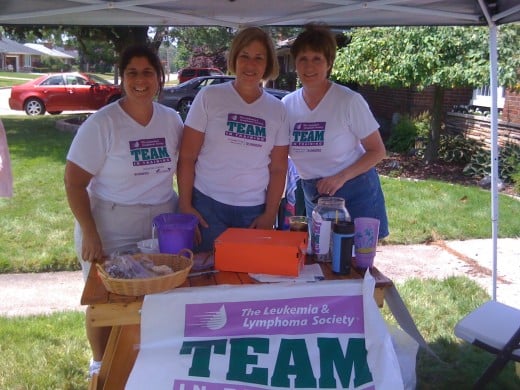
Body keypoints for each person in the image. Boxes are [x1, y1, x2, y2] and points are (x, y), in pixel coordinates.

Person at [64, 45, 183, 377]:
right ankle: (100, 364)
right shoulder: (102, 124)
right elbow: (74, 182)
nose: (140, 80)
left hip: (159, 222)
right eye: (132, 72)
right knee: (102, 300)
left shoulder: (172, 120)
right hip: (110, 223)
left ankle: (147, 362)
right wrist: (90, 232)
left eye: (148, 72)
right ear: (121, 78)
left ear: (159, 78)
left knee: (156, 298)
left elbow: (185, 168)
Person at [177, 26, 289, 253]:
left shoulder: (278, 110)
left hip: (253, 211)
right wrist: (185, 205)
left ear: (268, 64)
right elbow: (187, 156)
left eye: (259, 58)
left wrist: (269, 214)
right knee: (207, 277)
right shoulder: (209, 96)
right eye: (244, 56)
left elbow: (278, 168)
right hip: (207, 206)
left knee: (248, 280)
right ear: (234, 58)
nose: (250, 64)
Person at [282, 23, 389, 239]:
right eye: (303, 59)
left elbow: (377, 151)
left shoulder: (348, 101)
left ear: (329, 63)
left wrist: (341, 177)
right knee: (322, 257)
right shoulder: (287, 105)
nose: (309, 66)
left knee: (358, 261)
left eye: (317, 59)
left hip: (355, 189)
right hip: (315, 193)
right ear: (295, 63)